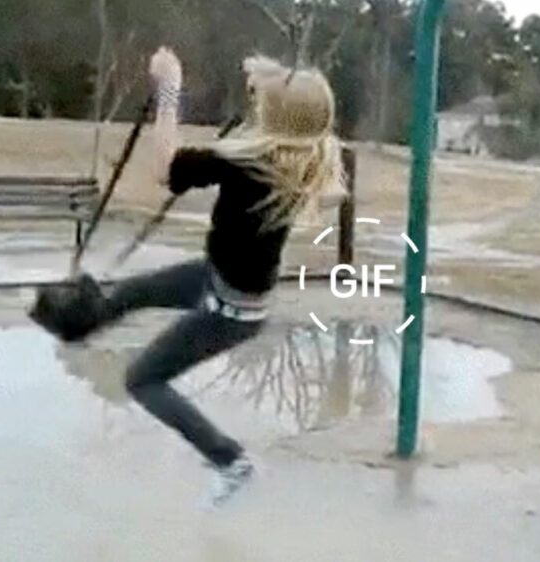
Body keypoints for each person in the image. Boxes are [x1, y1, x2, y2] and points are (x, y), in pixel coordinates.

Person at [29, 55, 344, 507]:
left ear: (274, 121)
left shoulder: (248, 164)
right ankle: (77, 326)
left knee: (142, 380)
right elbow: (302, 115)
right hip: (225, 281)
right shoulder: (303, 157)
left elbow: (165, 169)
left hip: (227, 309)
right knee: (130, 293)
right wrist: (267, 80)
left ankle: (230, 462)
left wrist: (169, 89)